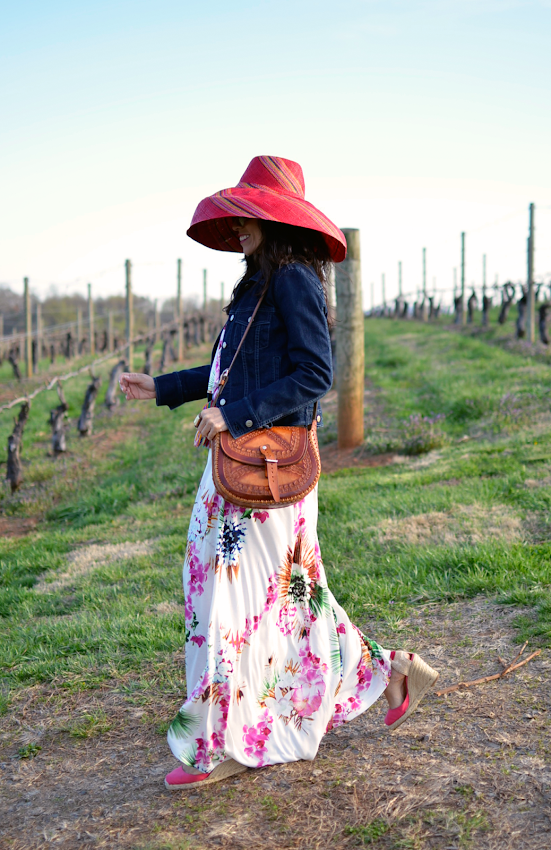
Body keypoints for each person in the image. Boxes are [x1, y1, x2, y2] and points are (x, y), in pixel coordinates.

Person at [119, 156, 438, 790]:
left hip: (265, 475)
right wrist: (162, 386)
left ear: (276, 219)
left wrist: (231, 416)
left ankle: (229, 744)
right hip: (239, 470)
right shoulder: (259, 285)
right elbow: (228, 371)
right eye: (235, 216)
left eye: (248, 215)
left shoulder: (292, 279)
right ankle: (393, 670)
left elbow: (314, 375)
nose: (238, 226)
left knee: (235, 608)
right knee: (285, 605)